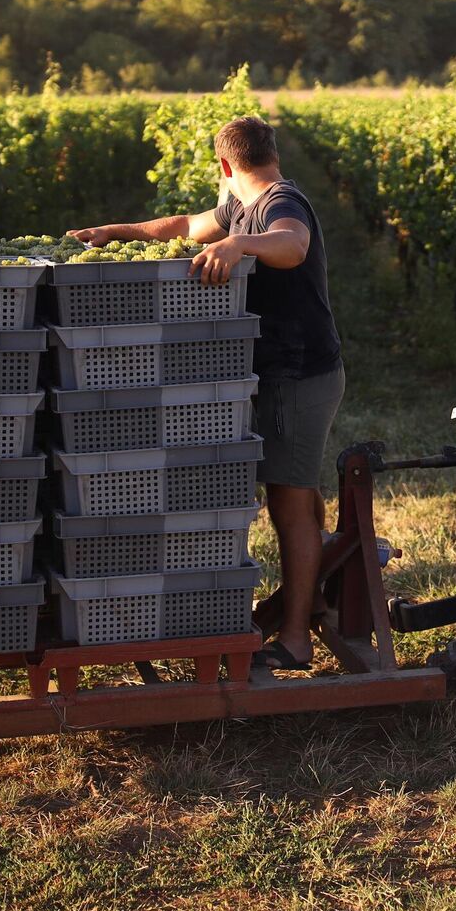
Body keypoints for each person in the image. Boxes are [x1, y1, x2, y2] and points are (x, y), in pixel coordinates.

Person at [71, 115, 342, 674]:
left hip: (299, 374)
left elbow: (293, 244)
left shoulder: (277, 204)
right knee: (296, 492)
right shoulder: (238, 207)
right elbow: (183, 225)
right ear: (271, 150)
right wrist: (114, 233)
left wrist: (242, 243)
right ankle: (309, 602)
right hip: (281, 372)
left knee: (290, 504)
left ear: (224, 164)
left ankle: (294, 639)